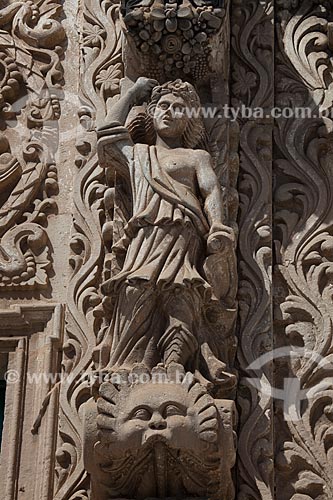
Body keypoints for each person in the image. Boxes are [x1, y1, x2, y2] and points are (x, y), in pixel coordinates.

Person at [95, 77, 235, 383]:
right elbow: (105, 136)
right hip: (145, 235)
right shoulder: (138, 155)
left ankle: (175, 363)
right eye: (162, 106)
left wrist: (217, 226)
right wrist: (132, 93)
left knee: (182, 293)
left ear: (188, 120)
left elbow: (210, 190)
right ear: (152, 112)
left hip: (184, 234)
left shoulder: (196, 157)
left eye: (178, 108)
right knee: (136, 290)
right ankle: (134, 362)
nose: (169, 112)